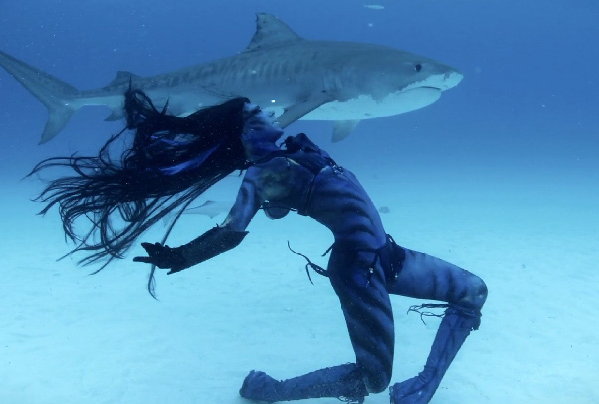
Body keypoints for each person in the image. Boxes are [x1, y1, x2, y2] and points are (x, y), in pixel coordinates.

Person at [31, 89, 487, 404]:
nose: (265, 119)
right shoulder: (261, 174)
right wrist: (182, 256)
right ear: (242, 139)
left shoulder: (296, 152)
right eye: (253, 121)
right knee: (373, 378)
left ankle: (424, 385)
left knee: (473, 290)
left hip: (390, 256)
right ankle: (269, 390)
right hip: (358, 269)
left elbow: (282, 208)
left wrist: (286, 195)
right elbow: (232, 231)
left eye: (263, 114)